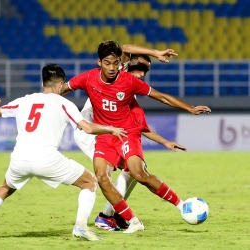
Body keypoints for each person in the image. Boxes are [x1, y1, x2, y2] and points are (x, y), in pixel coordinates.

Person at [0, 64, 126, 241]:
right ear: (61, 84)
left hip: (19, 159)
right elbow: (87, 128)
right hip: (46, 159)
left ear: (43, 82)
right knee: (90, 182)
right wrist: (110, 129)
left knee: (4, 188)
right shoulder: (64, 103)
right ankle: (81, 226)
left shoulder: (25, 100)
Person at [63, 40, 211, 234]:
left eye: (146, 71)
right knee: (111, 175)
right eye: (140, 68)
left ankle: (116, 216)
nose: (142, 74)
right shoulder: (112, 70)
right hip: (91, 131)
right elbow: (125, 48)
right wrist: (156, 53)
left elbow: (144, 121)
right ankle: (109, 217)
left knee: (136, 171)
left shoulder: (127, 84)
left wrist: (171, 134)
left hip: (116, 132)